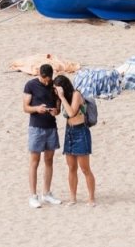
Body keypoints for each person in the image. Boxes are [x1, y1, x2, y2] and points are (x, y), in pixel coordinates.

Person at [23, 63, 62, 208]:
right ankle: (33, 195)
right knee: (34, 161)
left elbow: (58, 108)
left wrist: (55, 111)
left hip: (51, 127)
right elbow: (25, 107)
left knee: (49, 161)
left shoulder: (54, 86)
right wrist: (37, 109)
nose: (47, 82)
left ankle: (46, 193)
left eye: (49, 79)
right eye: (45, 79)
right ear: (40, 75)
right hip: (36, 128)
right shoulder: (30, 85)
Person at [53, 75, 96, 206]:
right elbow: (58, 112)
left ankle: (91, 198)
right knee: (71, 167)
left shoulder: (76, 94)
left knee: (85, 168)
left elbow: (71, 112)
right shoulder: (63, 98)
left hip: (80, 132)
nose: (55, 91)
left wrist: (61, 97)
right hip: (69, 132)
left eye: (57, 88)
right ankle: (73, 197)